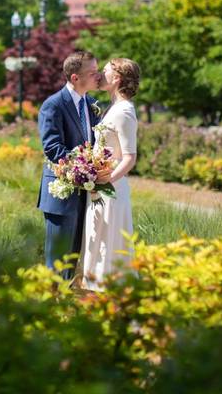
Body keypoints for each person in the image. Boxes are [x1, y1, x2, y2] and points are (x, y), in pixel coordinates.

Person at [37, 50, 103, 280]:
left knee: (73, 260)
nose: (99, 76)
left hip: (87, 194)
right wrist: (85, 168)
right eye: (93, 72)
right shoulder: (53, 105)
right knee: (56, 260)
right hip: (60, 193)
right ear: (75, 77)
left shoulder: (93, 104)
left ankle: (64, 308)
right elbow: (52, 148)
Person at [81, 58, 140, 291]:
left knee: (109, 243)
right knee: (99, 240)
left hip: (111, 189)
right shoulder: (112, 107)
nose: (99, 75)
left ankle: (111, 293)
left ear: (117, 78)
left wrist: (106, 179)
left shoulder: (125, 111)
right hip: (100, 187)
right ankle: (97, 292)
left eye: (104, 71)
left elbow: (129, 157)